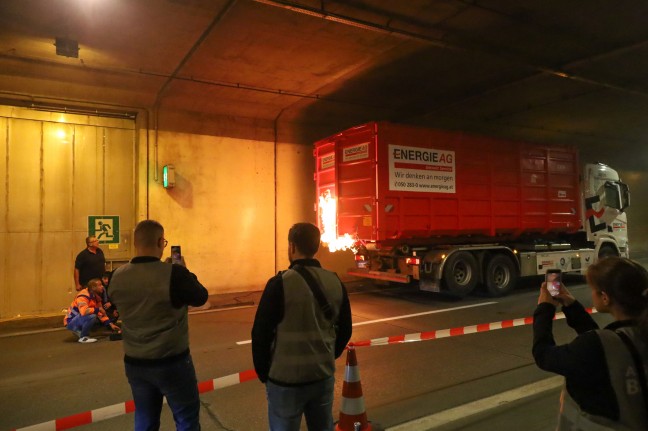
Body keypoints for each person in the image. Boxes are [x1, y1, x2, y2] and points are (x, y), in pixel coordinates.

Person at [252, 222, 353, 431]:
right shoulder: (335, 281)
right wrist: (326, 356)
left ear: (292, 246)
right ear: (316, 247)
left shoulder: (280, 283)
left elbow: (260, 334)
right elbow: (346, 329)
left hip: (285, 381)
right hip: (322, 377)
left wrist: (265, 374)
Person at [109, 219, 208, 431]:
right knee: (186, 420)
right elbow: (200, 297)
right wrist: (184, 270)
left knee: (145, 420)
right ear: (160, 241)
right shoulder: (174, 274)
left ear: (136, 243)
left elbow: (115, 303)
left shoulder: (117, 276)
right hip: (172, 361)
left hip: (135, 363)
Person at [533, 257, 648, 430]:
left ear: (605, 297)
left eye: (593, 289)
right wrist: (571, 306)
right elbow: (606, 346)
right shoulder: (636, 333)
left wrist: (545, 308)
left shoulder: (597, 346)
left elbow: (543, 355)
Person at [64, 278, 121, 343]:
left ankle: (79, 331)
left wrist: (111, 324)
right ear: (93, 288)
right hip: (70, 322)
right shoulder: (83, 296)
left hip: (78, 319)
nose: (102, 286)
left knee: (95, 315)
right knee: (92, 316)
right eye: (100, 285)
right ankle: (83, 337)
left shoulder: (96, 297)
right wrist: (98, 309)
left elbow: (101, 312)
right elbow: (84, 312)